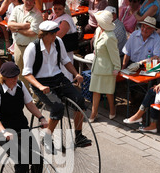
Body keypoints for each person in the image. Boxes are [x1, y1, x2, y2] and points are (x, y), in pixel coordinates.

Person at [23, 20, 91, 152]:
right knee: (57, 107)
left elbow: (66, 61)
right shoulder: (32, 48)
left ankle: (78, 136)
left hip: (58, 78)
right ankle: (47, 138)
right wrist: (40, 87)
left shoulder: (58, 42)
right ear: (43, 34)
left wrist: (76, 74)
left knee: (79, 100)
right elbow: (27, 73)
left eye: (55, 33)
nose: (55, 36)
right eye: (52, 34)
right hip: (41, 82)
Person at [88, 10, 121, 121]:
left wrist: (117, 67)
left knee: (108, 92)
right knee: (95, 90)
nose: (97, 23)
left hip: (107, 68)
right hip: (97, 66)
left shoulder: (110, 36)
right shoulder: (98, 30)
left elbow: (114, 54)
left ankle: (112, 109)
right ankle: (94, 112)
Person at [7, 0, 43, 90]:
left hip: (31, 48)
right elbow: (9, 24)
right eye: (27, 0)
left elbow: (32, 33)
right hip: (18, 46)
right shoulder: (16, 9)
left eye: (32, 1)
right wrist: (24, 26)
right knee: (20, 73)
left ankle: (36, 98)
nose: (29, 3)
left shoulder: (38, 14)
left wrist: (17, 29)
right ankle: (25, 94)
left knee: (33, 73)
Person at [49, 0, 78, 81]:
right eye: (55, 9)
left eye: (60, 9)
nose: (57, 11)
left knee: (65, 71)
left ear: (64, 8)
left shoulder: (66, 19)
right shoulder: (53, 15)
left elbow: (58, 35)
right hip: (55, 50)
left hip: (65, 50)